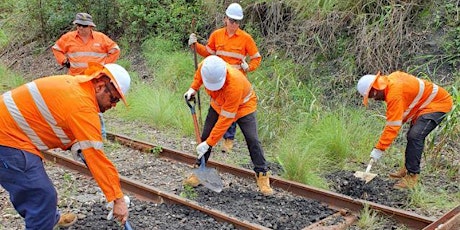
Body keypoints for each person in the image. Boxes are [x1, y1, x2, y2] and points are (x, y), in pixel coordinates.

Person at [0, 62, 131, 229]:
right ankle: (43, 218)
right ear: (99, 86)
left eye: (117, 102)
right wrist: (118, 199)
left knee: (38, 192)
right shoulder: (83, 106)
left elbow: (58, 121)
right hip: (7, 139)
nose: (113, 105)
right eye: (113, 98)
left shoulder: (77, 86)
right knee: (41, 195)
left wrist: (76, 144)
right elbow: (97, 158)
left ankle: (48, 218)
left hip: (11, 132)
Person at [183, 55, 273, 196]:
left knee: (252, 139)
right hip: (218, 104)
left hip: (244, 106)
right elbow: (199, 77)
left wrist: (209, 143)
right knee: (205, 135)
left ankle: (262, 174)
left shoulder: (234, 84)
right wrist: (193, 89)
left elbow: (225, 121)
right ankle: (199, 170)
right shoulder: (206, 66)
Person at [357, 71, 453, 189]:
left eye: (372, 96)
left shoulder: (394, 94)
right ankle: (407, 169)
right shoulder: (391, 82)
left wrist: (379, 148)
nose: (374, 99)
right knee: (412, 136)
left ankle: (412, 176)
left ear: (375, 90)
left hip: (438, 104)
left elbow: (393, 126)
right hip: (423, 106)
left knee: (415, 136)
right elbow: (398, 116)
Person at [188, 3, 262, 153]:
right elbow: (208, 54)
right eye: (231, 20)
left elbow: (256, 58)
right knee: (220, 111)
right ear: (225, 19)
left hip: (236, 83)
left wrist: (249, 67)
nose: (234, 24)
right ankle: (212, 142)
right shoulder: (216, 35)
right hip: (218, 81)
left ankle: (228, 139)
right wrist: (195, 46)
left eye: (237, 21)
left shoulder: (245, 38)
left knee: (230, 112)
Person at [52, 12, 120, 138]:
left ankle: (100, 135)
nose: (80, 28)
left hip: (93, 81)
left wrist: (104, 67)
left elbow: (115, 50)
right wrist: (63, 60)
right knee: (73, 107)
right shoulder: (68, 37)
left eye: (83, 25)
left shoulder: (101, 38)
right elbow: (56, 48)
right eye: (78, 25)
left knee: (94, 107)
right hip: (74, 81)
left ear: (90, 27)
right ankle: (74, 133)